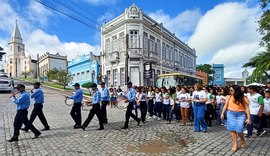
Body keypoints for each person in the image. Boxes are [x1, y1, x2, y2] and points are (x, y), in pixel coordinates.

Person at [221, 85, 251, 152]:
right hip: (230, 114)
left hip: (241, 115)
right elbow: (225, 105)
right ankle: (235, 143)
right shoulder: (228, 97)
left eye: (231, 90)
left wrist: (249, 118)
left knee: (239, 129)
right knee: (232, 129)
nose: (230, 91)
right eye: (230, 90)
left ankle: (242, 139)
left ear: (236, 90)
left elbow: (247, 108)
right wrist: (222, 113)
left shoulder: (243, 97)